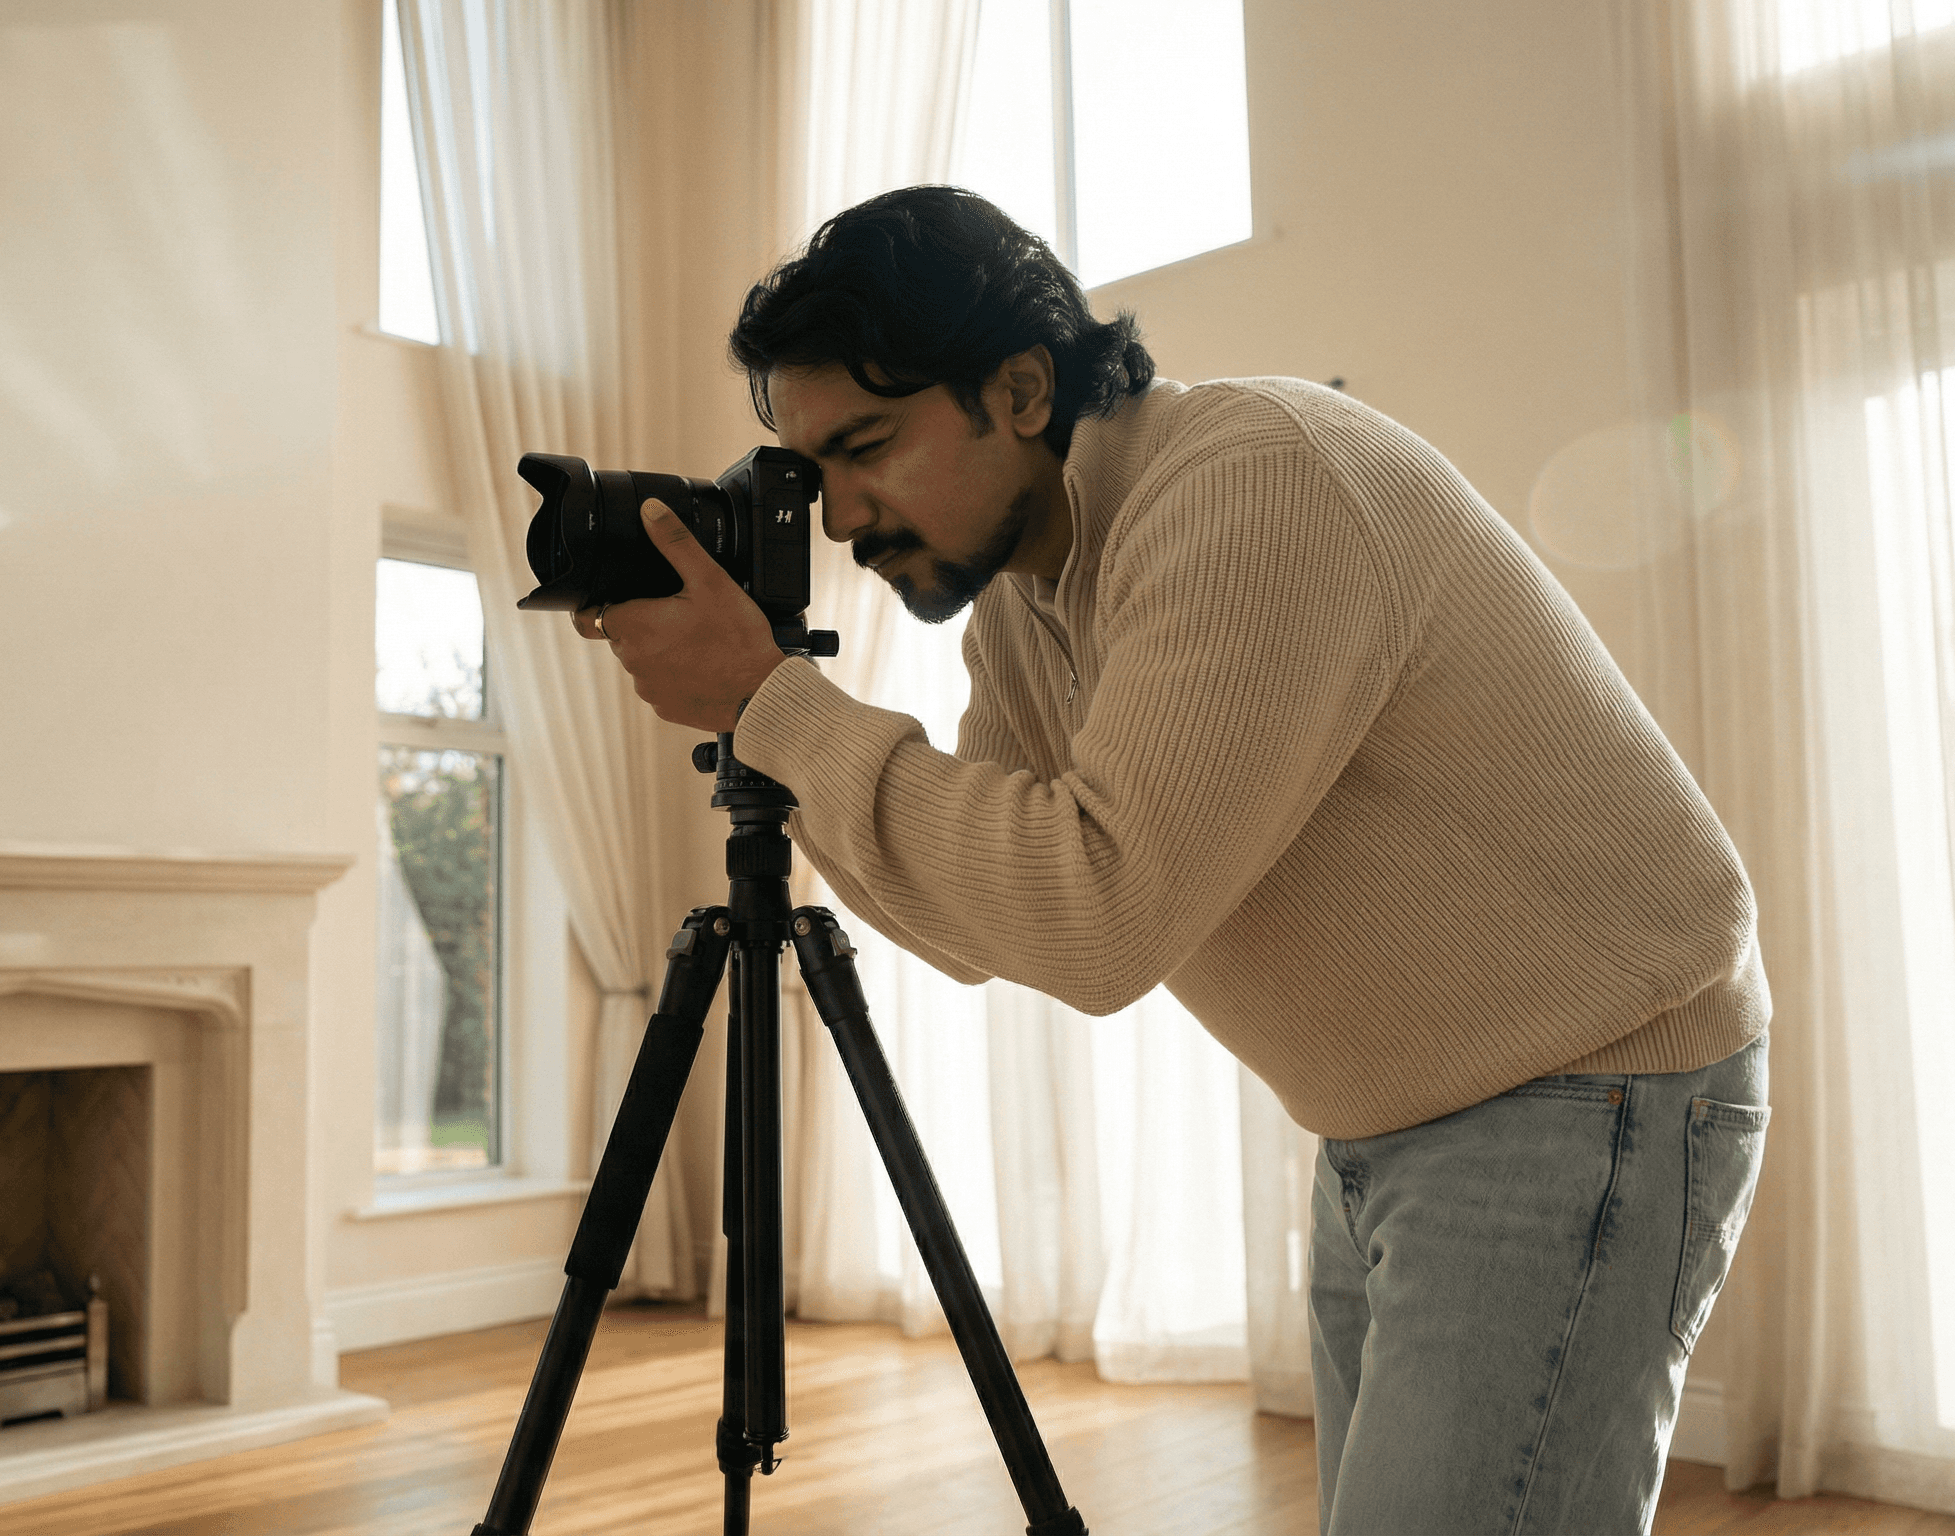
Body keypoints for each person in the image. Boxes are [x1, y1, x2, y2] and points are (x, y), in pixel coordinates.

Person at [577, 184, 1772, 1536]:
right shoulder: (1024, 606)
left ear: (1022, 388)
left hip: (1586, 1091)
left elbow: (1097, 921)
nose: (838, 515)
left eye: (867, 445)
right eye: (812, 472)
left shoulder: (1252, 481)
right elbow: (989, 924)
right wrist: (777, 718)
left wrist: (775, 705)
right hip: (1397, 1113)